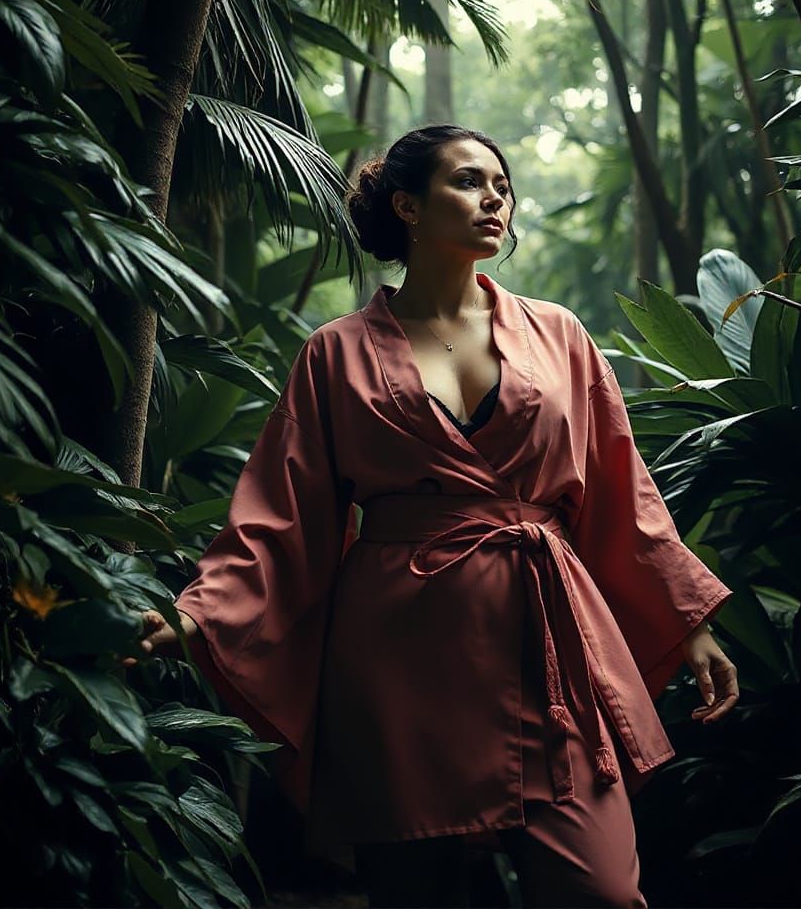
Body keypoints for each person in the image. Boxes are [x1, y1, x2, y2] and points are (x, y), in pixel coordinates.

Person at [126, 125, 740, 907]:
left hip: (546, 643)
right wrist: (197, 616)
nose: (495, 198)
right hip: (400, 661)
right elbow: (280, 516)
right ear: (408, 206)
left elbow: (622, 495)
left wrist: (688, 621)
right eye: (469, 181)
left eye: (503, 185)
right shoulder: (336, 353)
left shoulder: (560, 336)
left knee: (602, 892)